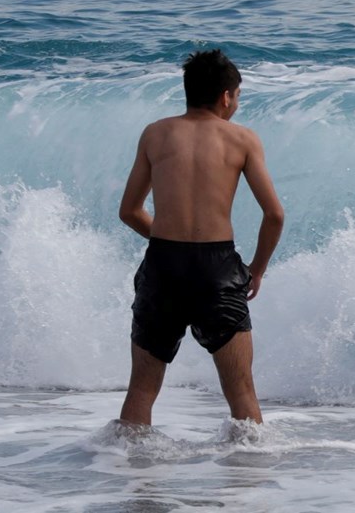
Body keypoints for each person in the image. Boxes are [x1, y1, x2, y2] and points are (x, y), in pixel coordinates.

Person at [117, 49, 285, 427]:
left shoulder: (155, 133)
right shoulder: (242, 140)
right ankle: (248, 480)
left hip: (164, 265)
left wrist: (164, 237)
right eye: (238, 96)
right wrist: (256, 270)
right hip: (218, 269)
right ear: (226, 96)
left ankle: (129, 475)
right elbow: (274, 215)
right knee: (241, 391)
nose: (237, 104)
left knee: (142, 390)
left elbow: (129, 211)